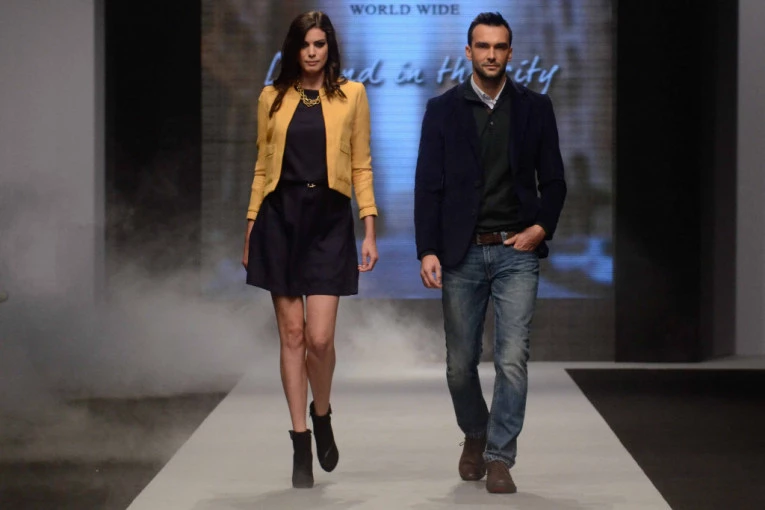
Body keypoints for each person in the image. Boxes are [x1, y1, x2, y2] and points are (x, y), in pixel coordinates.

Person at [414, 12, 567, 494]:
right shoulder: (442, 110)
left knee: (512, 359)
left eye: (500, 46)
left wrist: (540, 228)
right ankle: (476, 433)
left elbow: (554, 181)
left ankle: (500, 457)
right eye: (483, 46)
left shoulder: (535, 108)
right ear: (468, 52)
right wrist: (427, 249)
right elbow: (428, 186)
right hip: (461, 254)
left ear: (511, 52)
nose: (491, 54)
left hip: (516, 250)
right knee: (459, 365)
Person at [241, 11, 379, 489]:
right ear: (294, 49)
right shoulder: (271, 97)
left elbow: (361, 165)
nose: (313, 51)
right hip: (279, 218)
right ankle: (300, 441)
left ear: (329, 48)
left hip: (328, 220)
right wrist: (250, 226)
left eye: (319, 43)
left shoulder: (352, 95)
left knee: (320, 340)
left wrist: (369, 227)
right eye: (305, 44)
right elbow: (262, 166)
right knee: (292, 335)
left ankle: (322, 414)